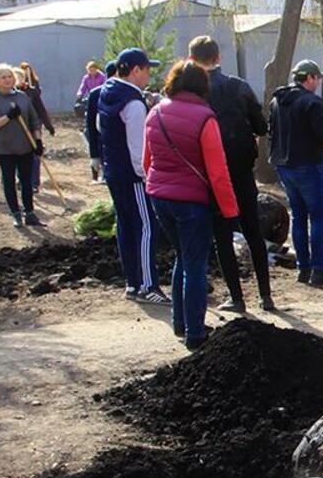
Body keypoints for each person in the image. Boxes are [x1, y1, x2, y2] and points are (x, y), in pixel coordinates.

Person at [143, 60, 241, 350]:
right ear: (202, 85)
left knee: (182, 257)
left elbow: (147, 161)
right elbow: (217, 171)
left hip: (159, 196)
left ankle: (180, 321)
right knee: (196, 265)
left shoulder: (155, 112)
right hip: (191, 202)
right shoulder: (204, 118)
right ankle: (196, 334)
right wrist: (230, 210)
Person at [189, 35, 274, 313]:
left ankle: (236, 298)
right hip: (242, 171)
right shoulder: (239, 86)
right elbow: (262, 127)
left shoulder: (194, 94)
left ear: (192, 60)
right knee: (253, 233)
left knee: (223, 236)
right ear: (219, 58)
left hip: (212, 175)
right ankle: (266, 296)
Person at [98, 49, 170, 304]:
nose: (149, 74)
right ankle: (148, 285)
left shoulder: (107, 93)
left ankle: (132, 282)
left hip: (114, 172)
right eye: (147, 69)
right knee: (147, 226)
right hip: (133, 176)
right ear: (136, 70)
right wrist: (146, 177)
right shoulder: (133, 103)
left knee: (126, 225)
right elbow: (137, 147)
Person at [269, 59, 323, 288]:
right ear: (309, 78)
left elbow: (272, 132)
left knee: (299, 216)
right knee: (319, 217)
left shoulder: (277, 101)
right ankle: (319, 268)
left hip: (284, 165)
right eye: (317, 78)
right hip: (308, 165)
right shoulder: (312, 102)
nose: (319, 82)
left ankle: (303, 267)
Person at [0, 64, 45, 229]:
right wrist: (8, 116)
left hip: (25, 145)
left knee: (26, 180)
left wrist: (37, 141)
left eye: (10, 76)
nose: (8, 79)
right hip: (5, 148)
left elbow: (34, 120)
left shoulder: (22, 97)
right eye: (3, 77)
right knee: (8, 180)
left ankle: (30, 213)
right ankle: (16, 214)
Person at [17, 62, 55, 189]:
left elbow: (40, 109)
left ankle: (34, 182)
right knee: (19, 154)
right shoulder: (11, 94)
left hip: (34, 125)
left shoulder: (33, 91)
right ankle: (21, 179)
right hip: (17, 128)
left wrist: (48, 125)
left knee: (35, 154)